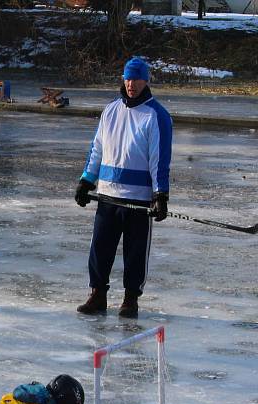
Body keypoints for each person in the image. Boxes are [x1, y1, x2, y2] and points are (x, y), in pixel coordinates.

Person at [74, 57, 172, 319]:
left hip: (138, 200)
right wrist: (86, 180)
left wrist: (160, 194)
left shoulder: (157, 116)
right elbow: (97, 148)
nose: (131, 84)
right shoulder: (111, 110)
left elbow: (159, 159)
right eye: (127, 78)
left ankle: (130, 298)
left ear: (146, 80)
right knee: (100, 248)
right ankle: (97, 294)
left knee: (135, 251)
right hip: (108, 195)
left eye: (136, 79)